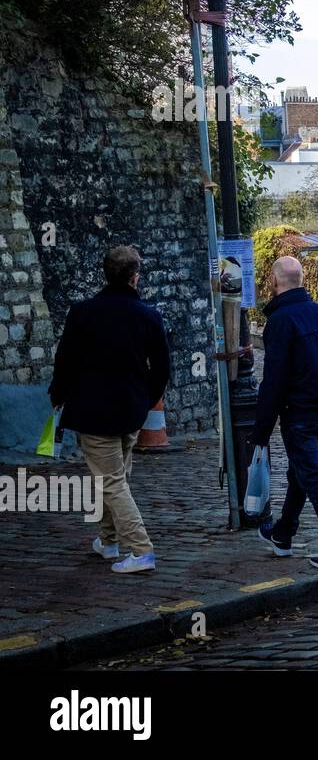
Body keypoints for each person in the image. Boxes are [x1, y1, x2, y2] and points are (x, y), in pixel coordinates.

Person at [49, 245, 170, 575]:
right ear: (135, 277)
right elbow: (162, 368)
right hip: (130, 411)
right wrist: (146, 400)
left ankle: (141, 549)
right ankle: (108, 540)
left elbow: (65, 360)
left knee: (112, 481)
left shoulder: (83, 312)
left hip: (93, 411)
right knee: (115, 478)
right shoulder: (148, 315)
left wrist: (57, 395)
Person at [254, 256, 318, 570]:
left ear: (274, 282)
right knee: (300, 472)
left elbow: (274, 380)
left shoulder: (281, 322)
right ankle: (283, 534)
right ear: (301, 280)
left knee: (313, 477)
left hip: (299, 414)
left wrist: (260, 433)